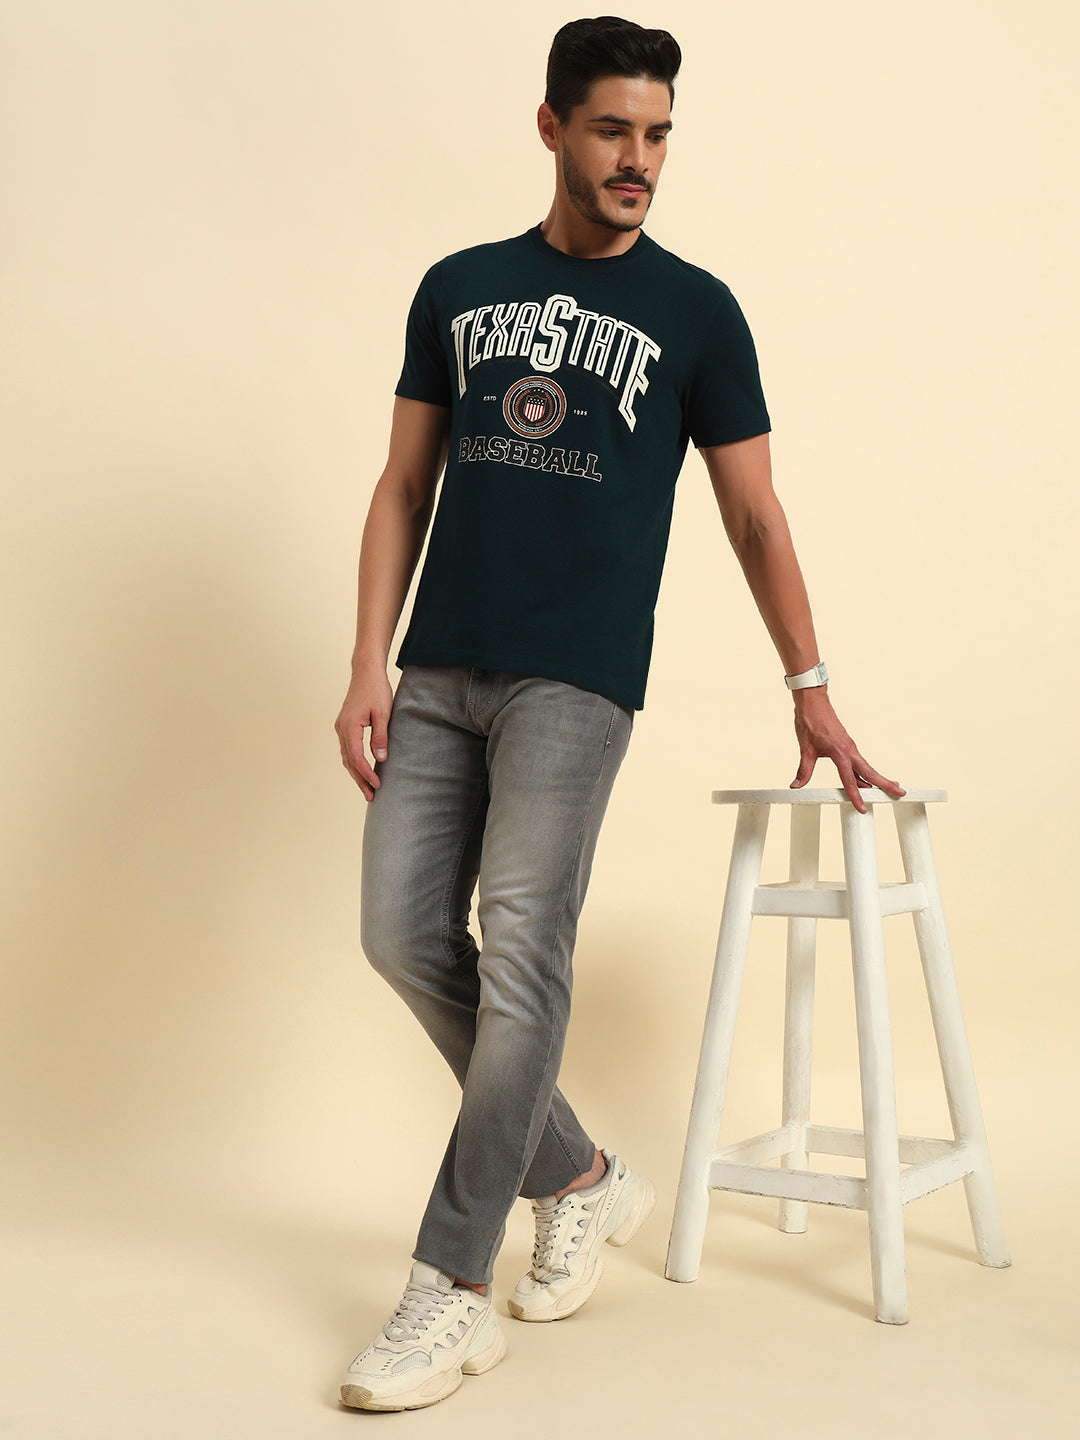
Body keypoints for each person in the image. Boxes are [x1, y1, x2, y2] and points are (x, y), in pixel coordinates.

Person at [333, 14, 905, 1412]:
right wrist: (366, 664)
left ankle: (450, 1285)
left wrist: (812, 687)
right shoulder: (459, 287)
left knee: (524, 950)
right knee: (400, 934)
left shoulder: (698, 312)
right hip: (439, 668)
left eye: (656, 134)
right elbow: (402, 486)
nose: (637, 158)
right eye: (610, 130)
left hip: (577, 678)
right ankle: (580, 1175)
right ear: (552, 128)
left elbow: (754, 512)